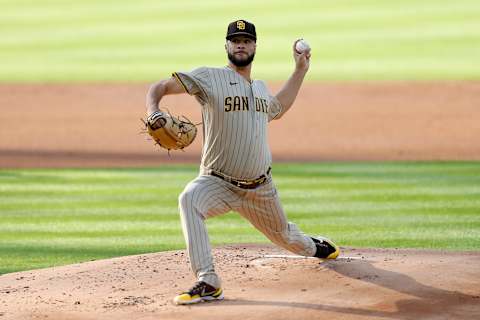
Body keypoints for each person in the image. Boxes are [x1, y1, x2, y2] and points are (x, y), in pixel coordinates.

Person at [145, 19, 339, 305]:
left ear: (255, 46)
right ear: (226, 45)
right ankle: (208, 280)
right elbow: (159, 86)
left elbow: (278, 108)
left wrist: (299, 71)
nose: (240, 44)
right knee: (189, 199)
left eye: (246, 40)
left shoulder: (260, 89)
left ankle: (315, 247)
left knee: (289, 239)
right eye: (235, 40)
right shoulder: (208, 78)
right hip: (217, 181)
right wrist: (153, 110)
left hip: (261, 189)